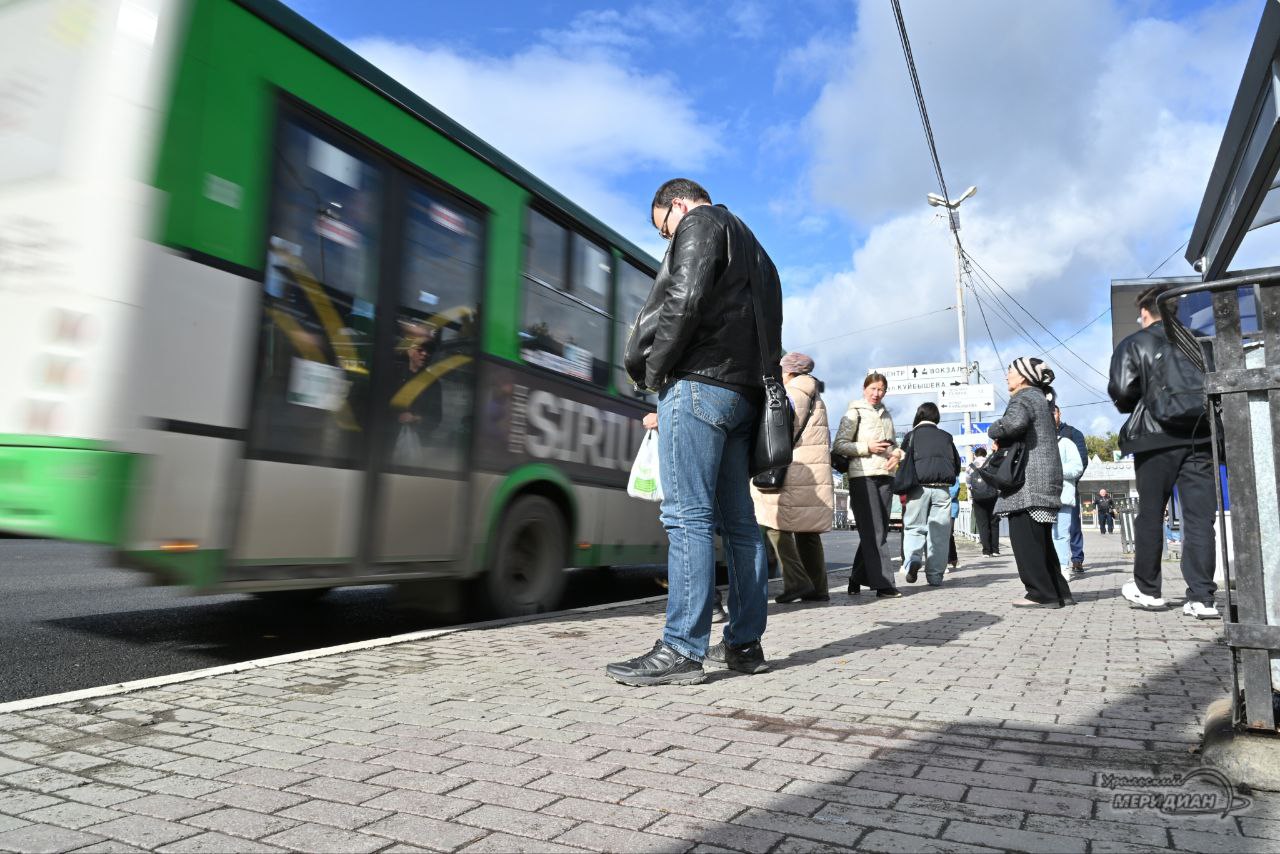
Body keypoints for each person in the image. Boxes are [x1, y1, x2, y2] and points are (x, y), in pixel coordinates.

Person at [609, 178, 782, 686]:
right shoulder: (758, 250)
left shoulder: (700, 223)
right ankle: (745, 644)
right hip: (745, 394)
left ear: (677, 205)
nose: (669, 239)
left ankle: (682, 648)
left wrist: (658, 373)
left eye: (665, 229)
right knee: (741, 525)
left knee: (686, 517)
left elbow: (684, 296)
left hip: (700, 385)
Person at [1108, 285, 1218, 619]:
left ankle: (1148, 589)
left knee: (1152, 512)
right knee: (1200, 519)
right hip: (1200, 437)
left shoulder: (1134, 343)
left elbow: (1123, 393)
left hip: (1154, 439)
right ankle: (1202, 598)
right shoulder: (1200, 341)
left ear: (1145, 312)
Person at [987, 357, 1073, 608]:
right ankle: (1058, 591)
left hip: (1028, 481)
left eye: (1010, 371)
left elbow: (1013, 424)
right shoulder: (1040, 398)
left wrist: (994, 429)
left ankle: (1040, 593)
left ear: (1023, 376)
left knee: (1026, 541)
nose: (1006, 375)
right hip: (1043, 478)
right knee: (1042, 541)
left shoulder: (1024, 397)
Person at [751, 353, 835, 604]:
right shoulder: (816, 397)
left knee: (775, 524)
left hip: (791, 469)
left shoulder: (791, 394)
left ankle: (797, 581)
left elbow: (778, 432)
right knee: (808, 531)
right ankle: (818, 588)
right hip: (813, 472)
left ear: (787, 372)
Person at [832, 373, 904, 598]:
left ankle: (856, 577)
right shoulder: (854, 412)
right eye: (873, 388)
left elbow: (893, 445)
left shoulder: (887, 414)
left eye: (881, 389)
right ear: (864, 389)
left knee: (877, 530)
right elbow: (840, 445)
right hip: (862, 476)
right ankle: (884, 584)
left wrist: (898, 454)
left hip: (886, 475)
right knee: (874, 531)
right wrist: (867, 447)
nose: (877, 393)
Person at [899, 403, 961, 587]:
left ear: (918, 416)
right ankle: (935, 576)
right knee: (940, 534)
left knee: (914, 527)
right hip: (942, 490)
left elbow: (903, 462)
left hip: (918, 489)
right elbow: (956, 465)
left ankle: (913, 560)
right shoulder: (946, 437)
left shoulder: (911, 436)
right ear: (937, 418)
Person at [1054, 408, 1088, 571]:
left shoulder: (1073, 433)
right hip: (1046, 490)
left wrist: (1071, 481)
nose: (1051, 416)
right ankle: (1057, 562)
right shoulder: (1039, 434)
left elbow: (1082, 461)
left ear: (1059, 414)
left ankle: (1077, 558)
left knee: (1073, 525)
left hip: (1068, 486)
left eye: (1054, 412)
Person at [966, 448, 1001, 556]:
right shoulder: (992, 463)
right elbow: (998, 478)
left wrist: (972, 493)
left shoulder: (971, 466)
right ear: (985, 454)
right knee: (994, 523)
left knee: (982, 524)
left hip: (978, 498)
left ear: (976, 455)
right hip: (993, 496)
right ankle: (995, 550)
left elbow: (968, 483)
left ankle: (986, 551)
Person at [947, 479, 960, 571]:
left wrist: (941, 496)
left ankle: (951, 558)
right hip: (940, 508)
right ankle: (952, 558)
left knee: (949, 534)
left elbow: (954, 492)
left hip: (951, 509)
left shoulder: (953, 476)